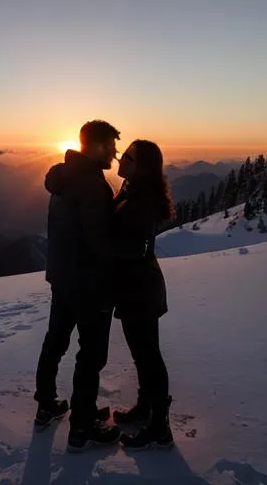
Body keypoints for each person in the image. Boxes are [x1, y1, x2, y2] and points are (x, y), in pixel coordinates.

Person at [34, 119, 122, 452]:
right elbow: (98, 240)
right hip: (89, 284)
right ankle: (83, 425)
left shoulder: (64, 177)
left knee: (55, 341)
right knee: (91, 354)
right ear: (97, 146)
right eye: (111, 147)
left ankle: (46, 403)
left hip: (63, 278)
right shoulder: (90, 185)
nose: (115, 154)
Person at [110, 140, 176, 450]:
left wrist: (103, 251)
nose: (122, 158)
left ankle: (159, 426)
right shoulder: (130, 189)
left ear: (142, 166)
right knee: (142, 353)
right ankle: (146, 408)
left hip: (140, 287)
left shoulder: (141, 198)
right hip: (136, 285)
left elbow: (134, 247)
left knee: (149, 355)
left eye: (129, 157)